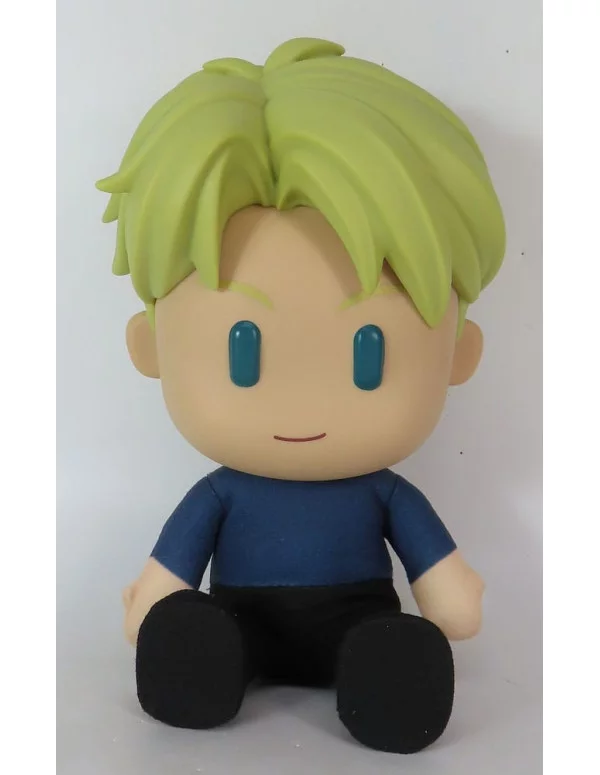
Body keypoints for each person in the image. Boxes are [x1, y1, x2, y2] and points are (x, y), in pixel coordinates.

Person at [97, 37, 505, 754]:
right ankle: (204, 659)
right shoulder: (222, 493)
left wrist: (445, 591)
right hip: (238, 619)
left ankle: (385, 674)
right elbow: (175, 563)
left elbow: (444, 588)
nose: (303, 402)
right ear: (151, 348)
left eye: (367, 355)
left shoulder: (382, 492)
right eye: (243, 352)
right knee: (203, 637)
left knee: (383, 648)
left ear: (457, 356)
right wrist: (157, 598)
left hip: (359, 621)